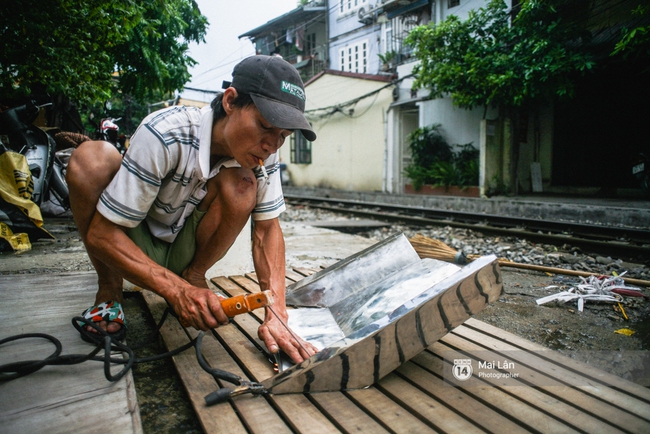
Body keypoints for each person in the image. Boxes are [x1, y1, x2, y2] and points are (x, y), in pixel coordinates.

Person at [66, 55, 318, 364]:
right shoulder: (167, 132)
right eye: (265, 125)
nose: (271, 144)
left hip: (184, 247)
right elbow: (102, 234)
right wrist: (174, 291)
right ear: (230, 101)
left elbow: (267, 229)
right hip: (129, 239)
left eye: (283, 136)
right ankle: (109, 292)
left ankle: (194, 275)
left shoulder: (265, 150)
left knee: (243, 183)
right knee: (91, 158)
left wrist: (277, 310)